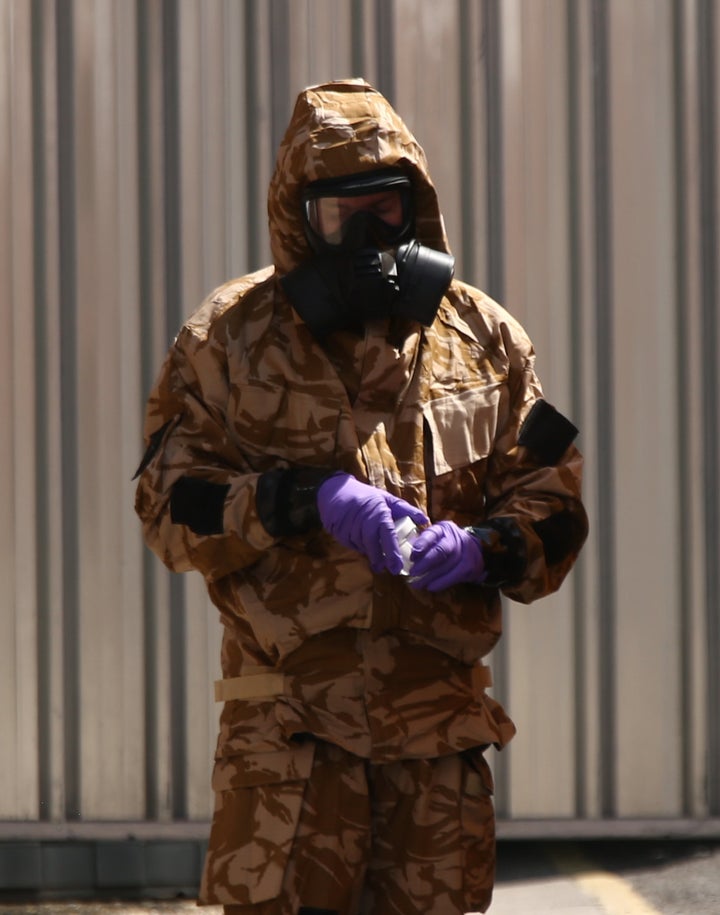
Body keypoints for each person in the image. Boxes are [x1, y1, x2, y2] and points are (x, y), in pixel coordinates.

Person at [134, 78, 588, 915]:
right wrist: (304, 498)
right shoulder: (227, 341)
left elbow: (553, 506)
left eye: (387, 208)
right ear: (297, 219)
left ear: (416, 207)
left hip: (434, 762)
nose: (371, 235)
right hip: (289, 760)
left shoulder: (487, 342)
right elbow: (168, 505)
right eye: (343, 215)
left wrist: (482, 549)